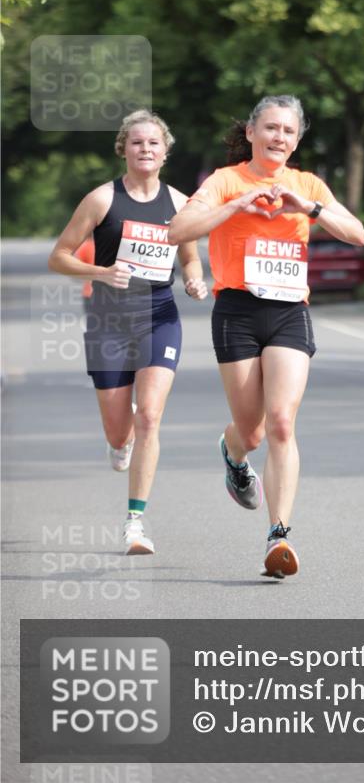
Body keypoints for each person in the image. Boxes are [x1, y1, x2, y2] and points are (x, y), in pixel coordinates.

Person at [168, 95, 364, 577]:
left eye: (289, 132)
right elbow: (178, 230)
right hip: (236, 310)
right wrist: (235, 203)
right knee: (252, 431)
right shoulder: (225, 179)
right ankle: (233, 453)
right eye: (271, 128)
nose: (280, 138)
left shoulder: (307, 183)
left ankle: (278, 535)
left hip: (288, 312)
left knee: (280, 423)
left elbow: (356, 234)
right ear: (252, 132)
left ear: (297, 140)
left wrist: (310, 207)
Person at [48, 110, 207, 555]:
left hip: (159, 314)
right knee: (120, 431)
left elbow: (190, 257)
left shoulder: (180, 203)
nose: (146, 150)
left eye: (154, 143)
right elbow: (58, 257)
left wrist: (194, 279)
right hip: (108, 321)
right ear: (124, 148)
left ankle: (135, 522)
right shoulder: (101, 200)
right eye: (137, 143)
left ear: (165, 151)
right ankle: (121, 443)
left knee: (150, 415)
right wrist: (100, 271)